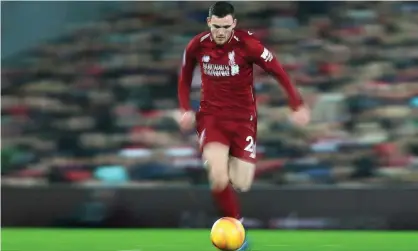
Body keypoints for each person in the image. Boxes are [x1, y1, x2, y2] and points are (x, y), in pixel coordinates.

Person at [178, 2, 310, 249]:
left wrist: (296, 104)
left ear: (234, 24)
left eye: (225, 27)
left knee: (241, 183)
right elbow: (185, 76)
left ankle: (227, 165)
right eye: (216, 26)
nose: (220, 32)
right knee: (218, 177)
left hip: (243, 120)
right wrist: (185, 108)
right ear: (209, 23)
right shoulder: (197, 45)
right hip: (212, 117)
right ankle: (237, 230)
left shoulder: (248, 45)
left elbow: (278, 71)